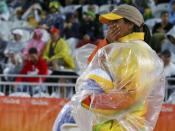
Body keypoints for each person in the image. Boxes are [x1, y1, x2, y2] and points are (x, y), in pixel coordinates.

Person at [71, 4, 165, 131]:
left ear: (130, 24)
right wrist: (107, 42)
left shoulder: (132, 51)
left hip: (120, 126)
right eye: (109, 22)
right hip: (127, 124)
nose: (110, 26)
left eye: (115, 21)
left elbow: (130, 95)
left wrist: (90, 100)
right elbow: (92, 66)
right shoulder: (129, 48)